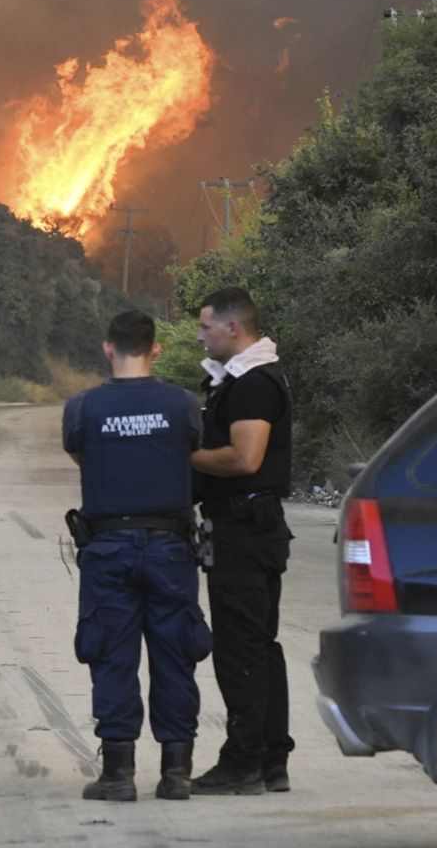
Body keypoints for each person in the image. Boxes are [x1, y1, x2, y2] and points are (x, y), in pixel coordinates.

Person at [62, 310, 211, 802]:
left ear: (108, 347)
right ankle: (176, 774)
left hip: (108, 548)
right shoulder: (183, 405)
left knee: (110, 655)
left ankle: (119, 775)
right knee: (175, 655)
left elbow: (85, 457)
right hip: (170, 548)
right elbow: (188, 452)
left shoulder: (83, 408)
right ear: (157, 349)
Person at [189, 287, 296, 796]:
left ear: (233, 328)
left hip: (244, 530)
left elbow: (244, 458)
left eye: (206, 326)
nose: (200, 334)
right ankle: (273, 758)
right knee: (260, 644)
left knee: (240, 649)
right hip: (251, 527)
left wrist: (184, 457)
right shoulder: (238, 380)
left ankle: (244, 762)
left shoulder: (253, 383)